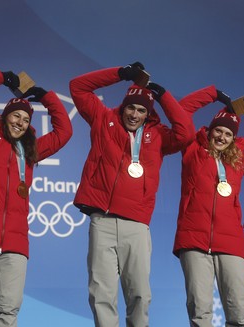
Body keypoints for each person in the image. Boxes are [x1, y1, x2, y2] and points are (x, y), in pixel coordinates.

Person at [69, 62, 194, 327]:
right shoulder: (104, 120)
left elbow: (186, 133)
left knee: (139, 294)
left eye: (141, 110)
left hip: (137, 225)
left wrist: (164, 96)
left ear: (148, 114)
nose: (134, 115)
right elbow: (78, 87)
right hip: (101, 220)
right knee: (101, 293)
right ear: (122, 107)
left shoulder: (159, 136)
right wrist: (119, 74)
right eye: (130, 107)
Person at [0, 69, 72, 327]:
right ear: (4, 116)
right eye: (16, 116)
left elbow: (64, 131)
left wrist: (46, 97)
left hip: (15, 243)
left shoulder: (30, 152)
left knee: (8, 313)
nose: (20, 122)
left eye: (26, 120)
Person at [173, 87, 244, 326]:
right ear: (210, 131)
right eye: (218, 131)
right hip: (193, 241)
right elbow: (181, 111)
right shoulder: (192, 150)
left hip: (230, 243)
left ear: (234, 138)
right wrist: (212, 94)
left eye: (228, 134)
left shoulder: (240, 161)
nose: (222, 137)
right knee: (200, 313)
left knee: (239, 314)